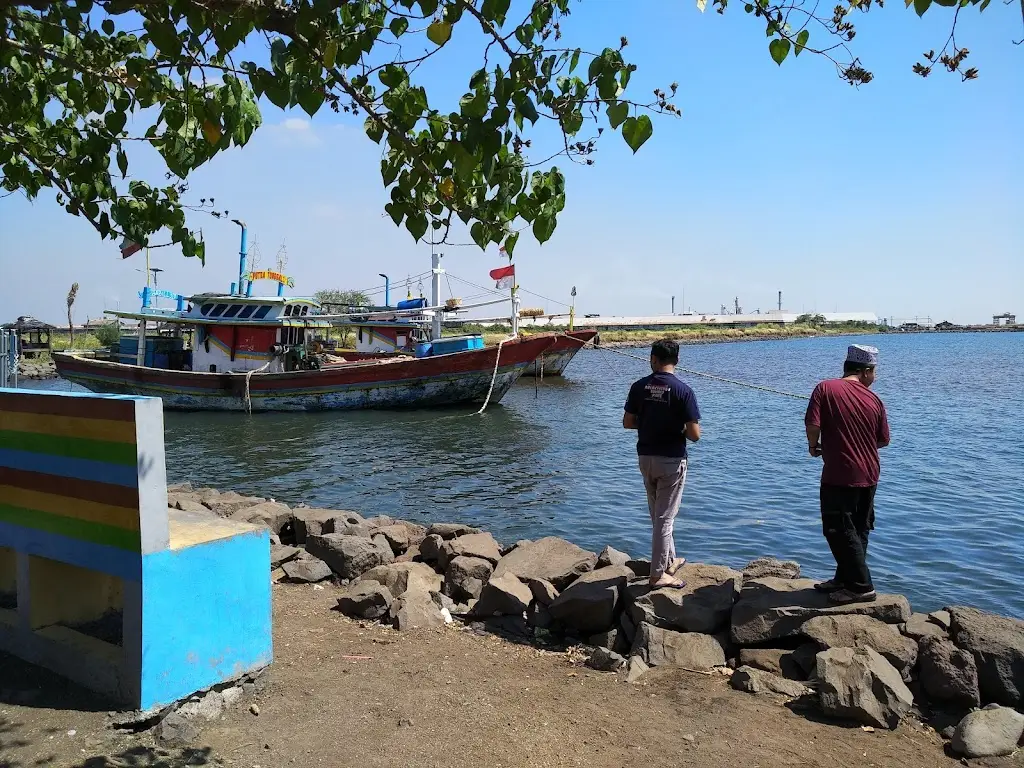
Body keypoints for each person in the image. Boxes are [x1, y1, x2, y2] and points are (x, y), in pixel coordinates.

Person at [805, 344, 891, 605]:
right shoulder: (874, 400)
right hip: (870, 472)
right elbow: (883, 440)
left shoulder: (825, 388)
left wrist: (814, 445)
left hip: (840, 473)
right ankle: (845, 579)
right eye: (874, 373)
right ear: (865, 371)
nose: (874, 378)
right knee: (859, 528)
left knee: (838, 529)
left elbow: (812, 423)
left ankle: (862, 586)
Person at [623, 339, 701, 589]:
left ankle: (668, 561)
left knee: (657, 515)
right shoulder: (683, 391)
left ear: (653, 359)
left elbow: (627, 422)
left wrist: (648, 424)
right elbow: (694, 434)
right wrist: (676, 427)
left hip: (645, 458)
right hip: (671, 460)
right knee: (665, 519)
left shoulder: (638, 386)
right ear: (676, 360)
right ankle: (658, 575)